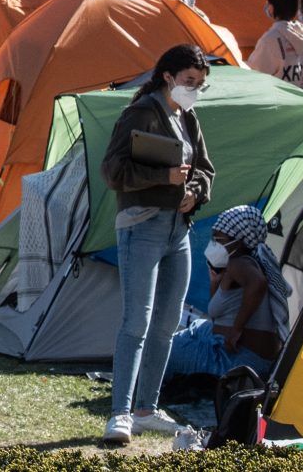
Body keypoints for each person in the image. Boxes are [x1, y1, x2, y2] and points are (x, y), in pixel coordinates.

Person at [99, 44, 214, 446]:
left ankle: (147, 409)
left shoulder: (189, 117)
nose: (195, 89)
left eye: (200, 84)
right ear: (168, 76)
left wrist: (194, 193)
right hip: (141, 226)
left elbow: (204, 170)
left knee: (166, 324)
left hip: (178, 230)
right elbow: (112, 170)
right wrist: (162, 178)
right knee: (137, 322)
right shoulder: (141, 112)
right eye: (189, 82)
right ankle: (120, 414)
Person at [166, 205, 291, 378]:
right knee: (197, 328)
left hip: (236, 360)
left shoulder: (240, 263)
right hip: (241, 353)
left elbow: (258, 284)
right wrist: (215, 283)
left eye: (218, 240)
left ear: (238, 241)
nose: (213, 244)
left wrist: (236, 329)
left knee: (159, 351)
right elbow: (218, 314)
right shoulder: (247, 264)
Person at [247, 0, 303, 86]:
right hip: (295, 98)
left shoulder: (270, 39)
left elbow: (253, 73)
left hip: (276, 99)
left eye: (269, 2)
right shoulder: (302, 34)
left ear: (272, 7)